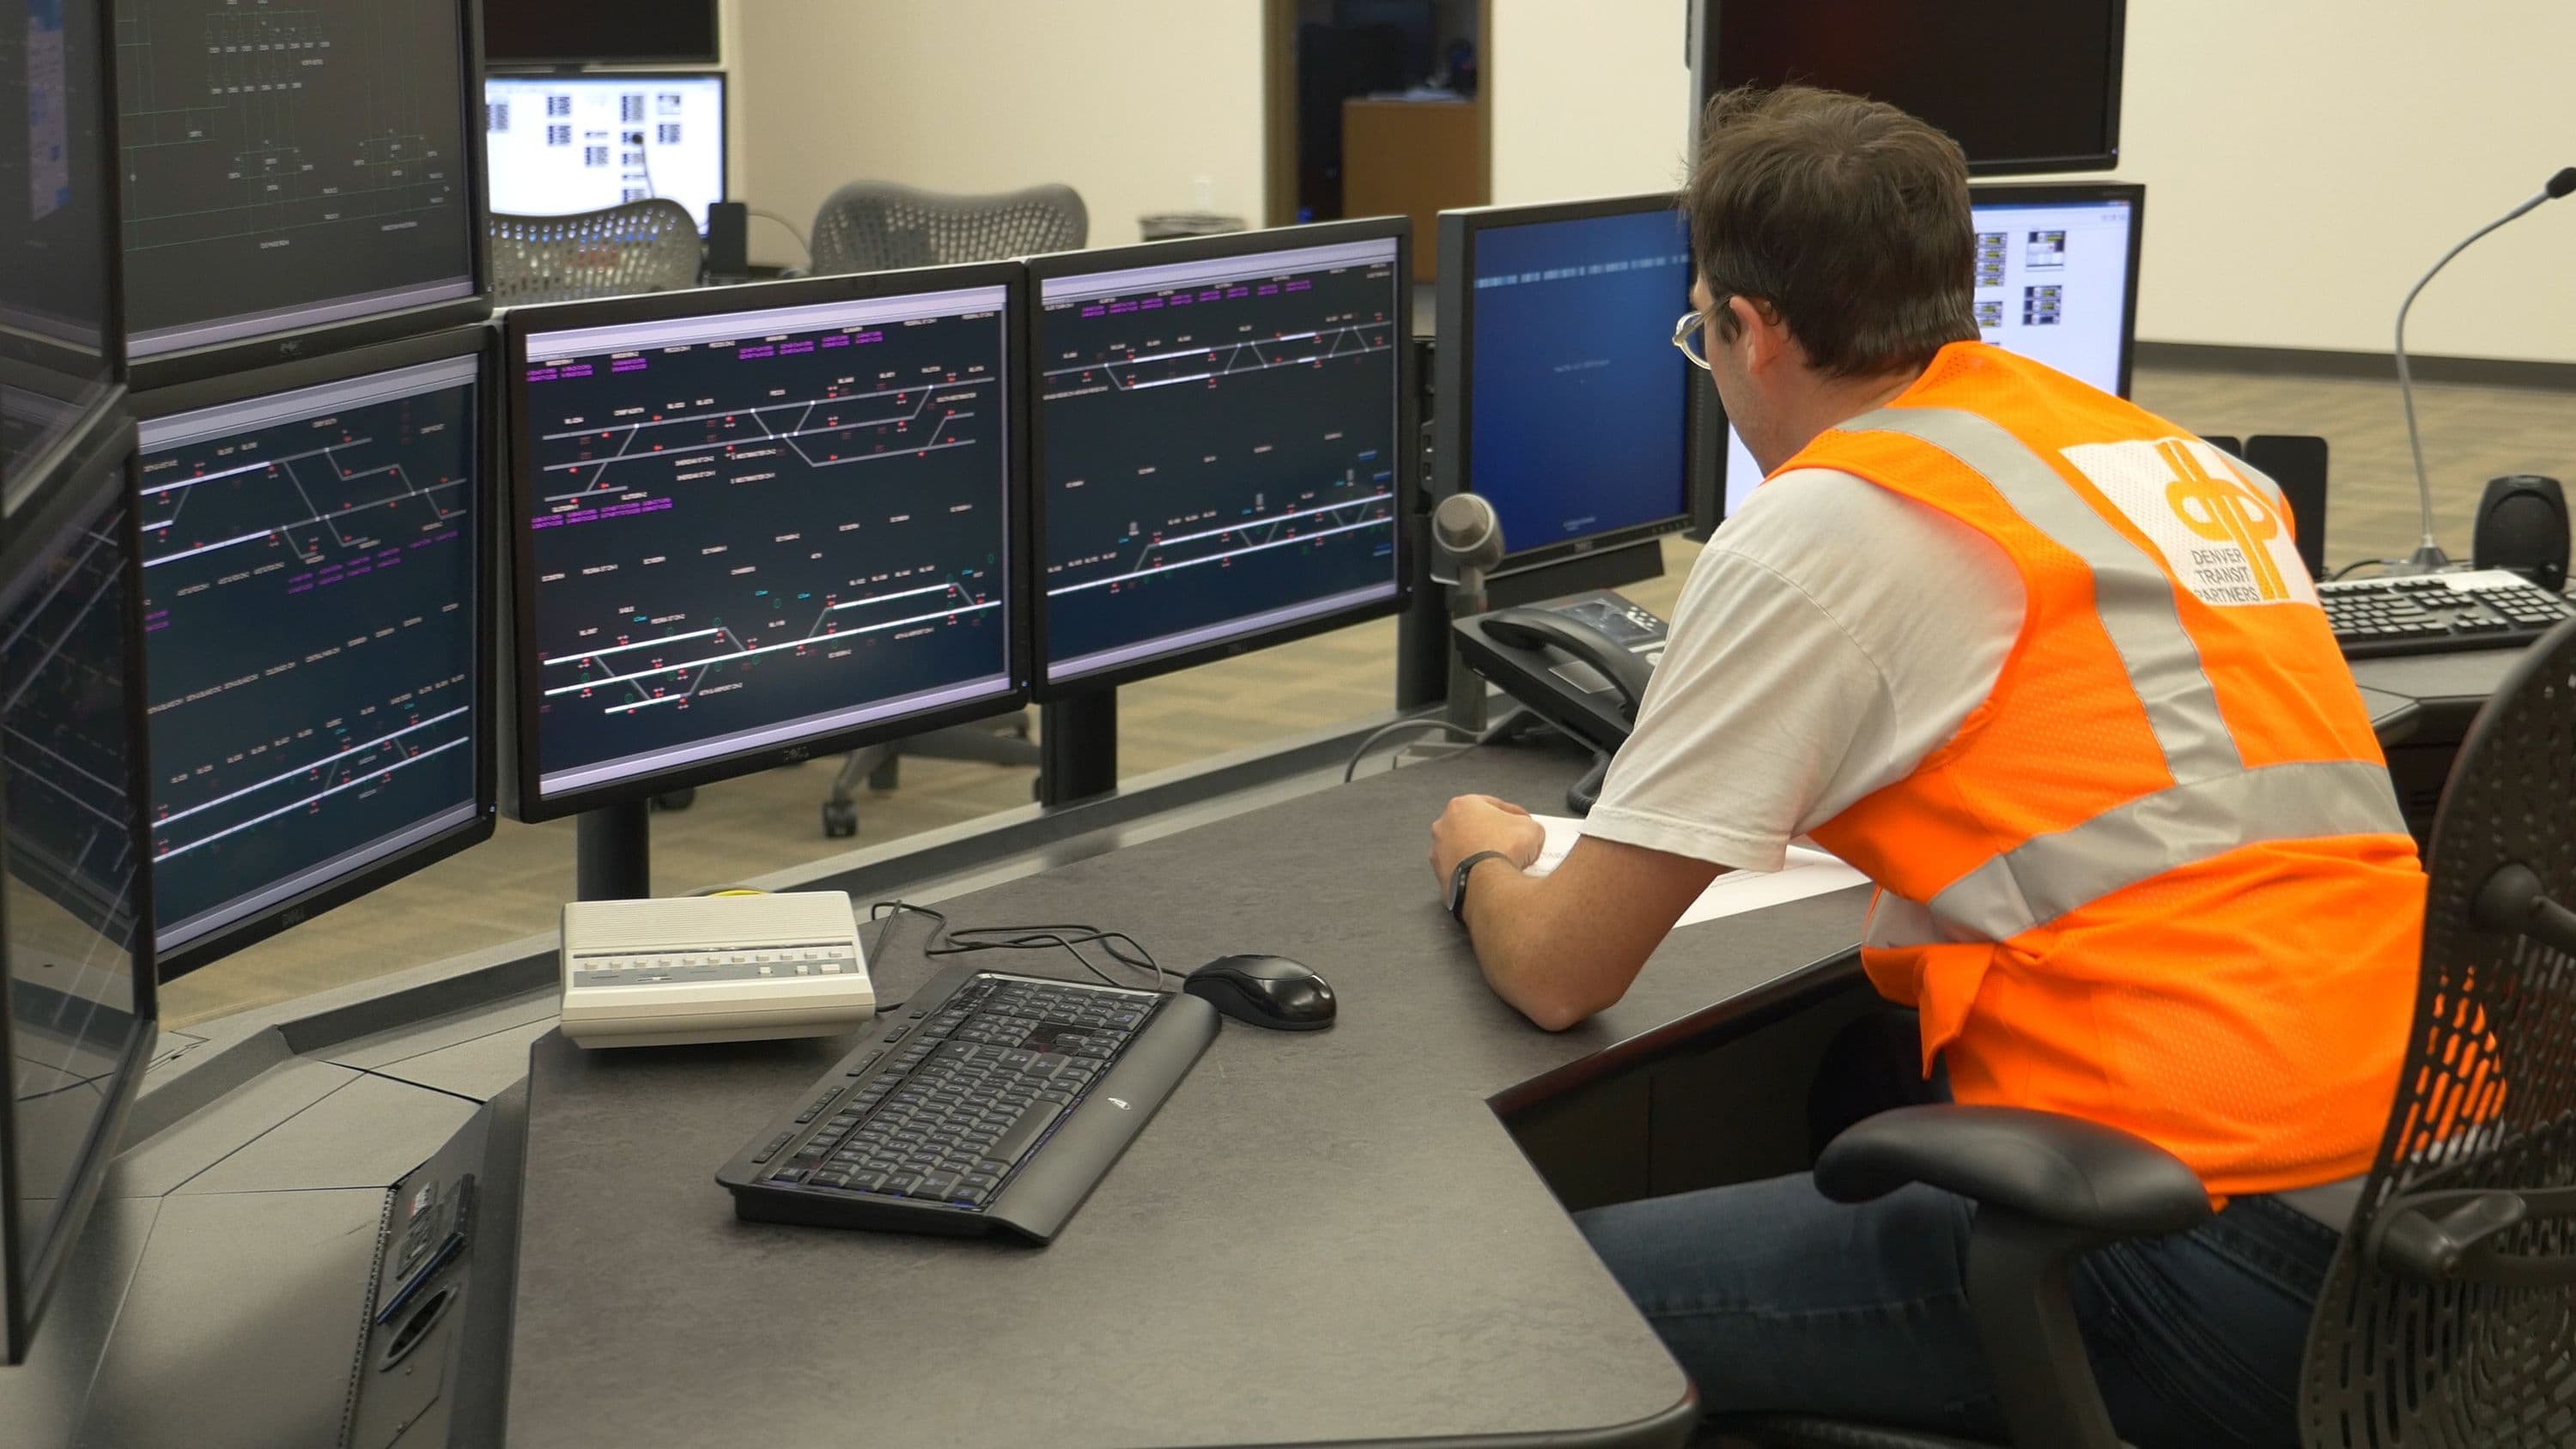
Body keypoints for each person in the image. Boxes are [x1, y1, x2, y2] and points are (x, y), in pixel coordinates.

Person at [1425, 85, 2424, 1448]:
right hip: (2430, 1213)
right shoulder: (2178, 468)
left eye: (1699, 332)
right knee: (1853, 1077)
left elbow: (1562, 975)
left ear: (1752, 330)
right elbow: (2117, 766)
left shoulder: (1831, 521)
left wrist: (1482, 849)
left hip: (2198, 1248)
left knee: (1498, 1311)